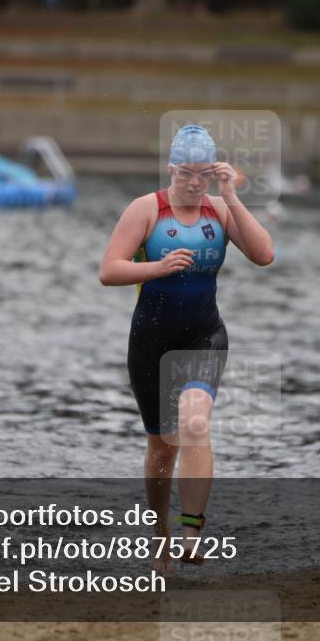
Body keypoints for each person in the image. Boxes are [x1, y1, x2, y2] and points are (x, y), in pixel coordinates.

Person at [99, 124, 274, 575]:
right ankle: (160, 537)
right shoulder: (146, 210)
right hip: (150, 343)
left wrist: (232, 196)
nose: (195, 185)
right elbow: (109, 270)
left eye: (203, 175)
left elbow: (264, 255)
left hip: (204, 335)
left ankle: (192, 531)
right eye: (186, 175)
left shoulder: (220, 210)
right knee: (162, 449)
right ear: (172, 169)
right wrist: (157, 267)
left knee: (195, 422)